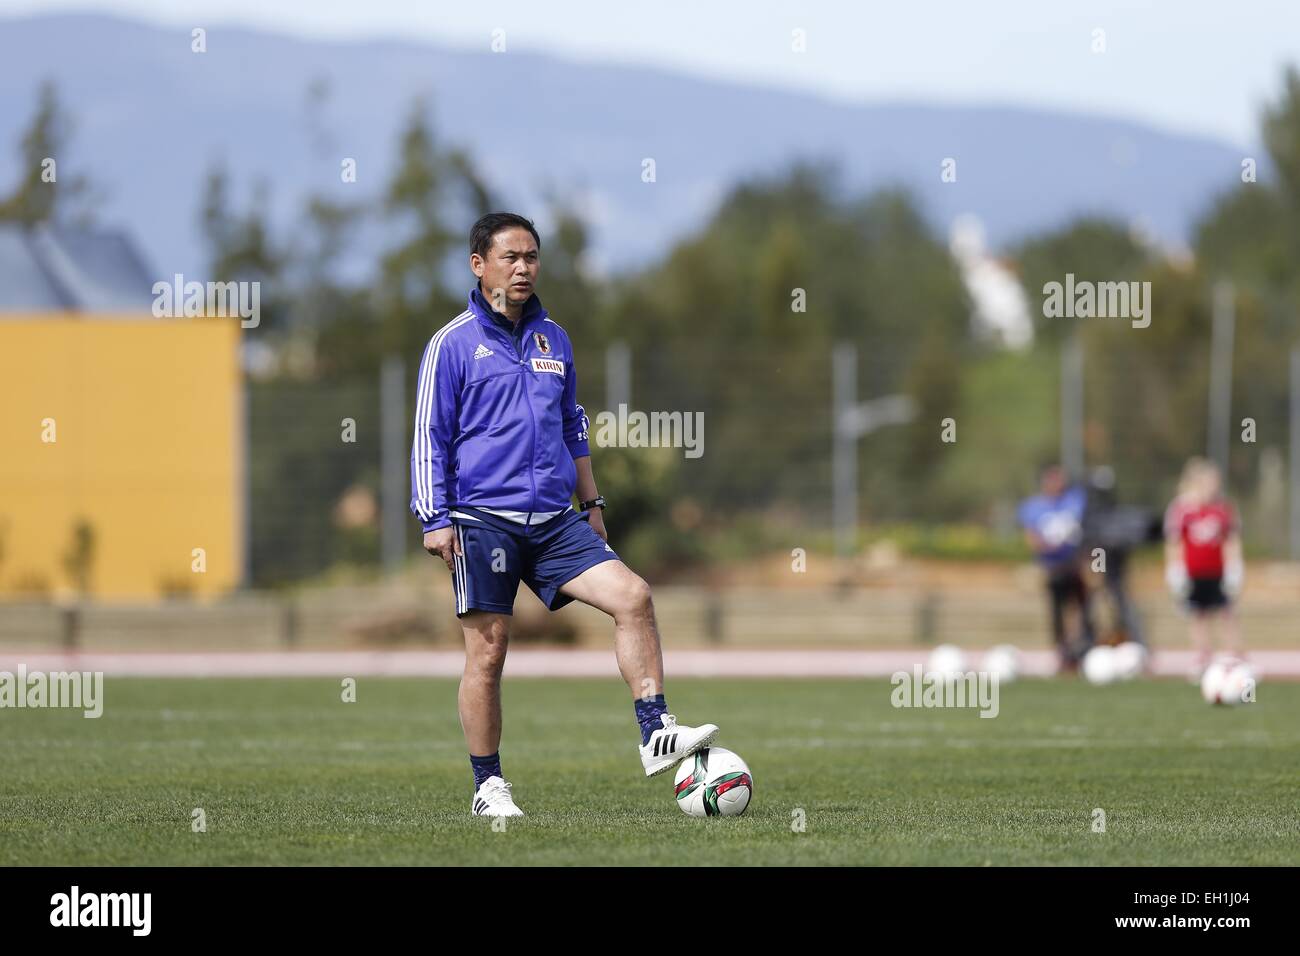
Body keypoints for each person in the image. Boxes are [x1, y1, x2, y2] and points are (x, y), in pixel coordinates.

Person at [410, 212, 718, 817]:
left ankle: (655, 731)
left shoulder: (555, 337)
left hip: (555, 519)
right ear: (479, 265)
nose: (523, 268)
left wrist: (592, 502)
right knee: (490, 652)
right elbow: (430, 434)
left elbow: (572, 423)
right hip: (481, 519)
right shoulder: (452, 344)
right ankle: (487, 786)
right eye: (509, 257)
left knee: (633, 597)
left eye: (531, 257)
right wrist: (434, 518)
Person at [1164, 458, 1244, 674]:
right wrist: (1175, 570)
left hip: (1218, 572)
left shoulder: (1223, 508)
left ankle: (1233, 655)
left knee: (1228, 612)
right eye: (1209, 481)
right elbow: (1174, 541)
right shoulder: (1182, 509)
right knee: (1198, 614)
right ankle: (1203, 655)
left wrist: (1234, 568)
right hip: (1193, 572)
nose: (1214, 486)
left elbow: (1231, 539)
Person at [1018, 463, 1095, 671]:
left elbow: (1088, 529)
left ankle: (1082, 648)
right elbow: (1031, 538)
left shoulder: (1076, 501)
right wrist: (1050, 545)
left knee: (1082, 607)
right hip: (1052, 567)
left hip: (1075, 564)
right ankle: (1062, 651)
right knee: (1057, 611)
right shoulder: (1034, 507)